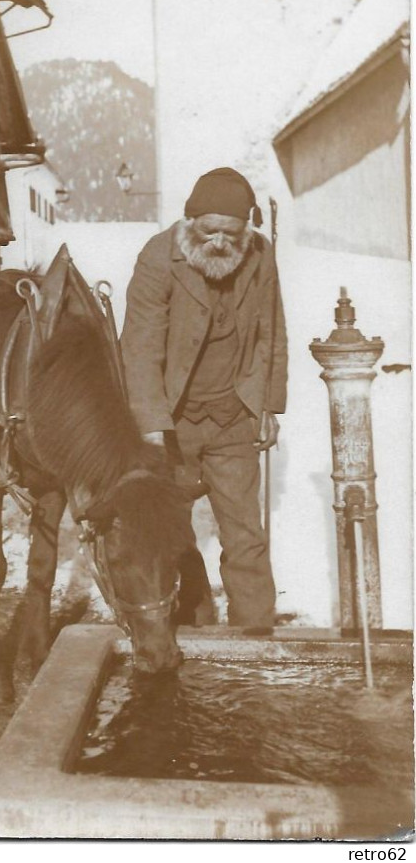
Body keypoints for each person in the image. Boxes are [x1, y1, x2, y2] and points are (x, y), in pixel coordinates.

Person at [121, 167, 288, 632]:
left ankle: (253, 636)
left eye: (230, 232)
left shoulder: (259, 255)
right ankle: (190, 627)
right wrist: (152, 425)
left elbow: (272, 333)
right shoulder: (159, 257)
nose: (218, 241)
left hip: (234, 416)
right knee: (171, 531)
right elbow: (140, 345)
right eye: (208, 230)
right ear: (189, 221)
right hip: (174, 422)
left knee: (245, 535)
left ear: (247, 227)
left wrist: (269, 405)